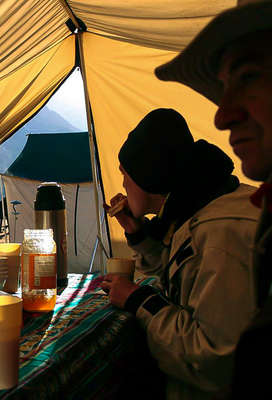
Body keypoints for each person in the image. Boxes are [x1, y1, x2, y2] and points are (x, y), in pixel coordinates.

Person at [154, 1, 272, 397]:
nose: (222, 118)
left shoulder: (223, 228)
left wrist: (140, 303)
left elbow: (218, 360)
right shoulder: (249, 213)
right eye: (224, 88)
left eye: (250, 76)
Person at [101, 108, 259, 400]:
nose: (122, 185)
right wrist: (137, 232)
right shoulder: (207, 205)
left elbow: (213, 361)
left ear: (148, 176)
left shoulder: (222, 234)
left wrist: (139, 300)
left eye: (125, 175)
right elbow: (187, 275)